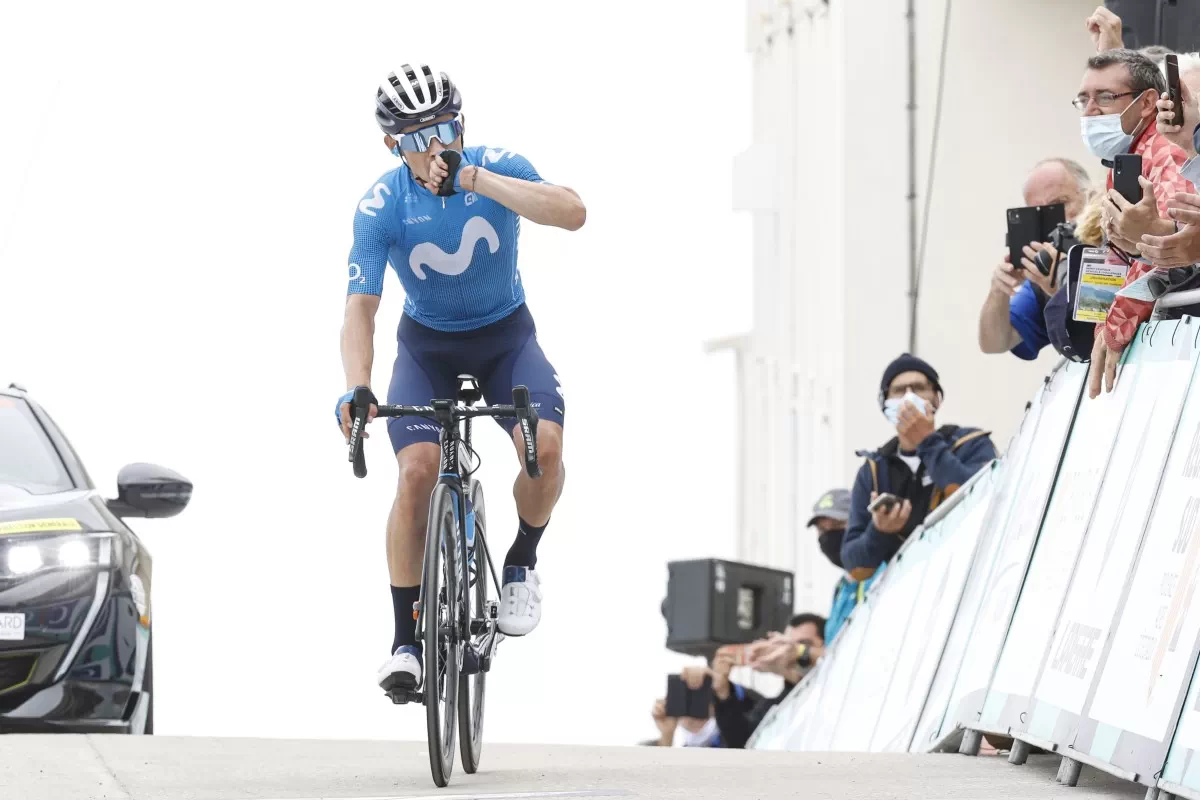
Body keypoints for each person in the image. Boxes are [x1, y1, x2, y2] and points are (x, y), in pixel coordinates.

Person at [335, 64, 586, 694]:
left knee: (544, 451)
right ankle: (404, 642)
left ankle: (522, 561)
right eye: (418, 138)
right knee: (417, 471)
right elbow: (360, 308)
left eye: (446, 129)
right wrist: (357, 385)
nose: (435, 146)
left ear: (462, 125)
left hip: (506, 338)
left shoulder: (495, 164)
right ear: (393, 146)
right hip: (427, 350)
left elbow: (572, 213)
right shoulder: (381, 205)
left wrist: (477, 180)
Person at [1074, 49, 1193, 398]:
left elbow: (1166, 245)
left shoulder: (1164, 149)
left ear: (1147, 104)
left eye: (1105, 97)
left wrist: (1115, 326)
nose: (1091, 110)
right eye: (1083, 99)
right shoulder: (1130, 157)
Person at [840, 355, 997, 580]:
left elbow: (980, 498)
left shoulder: (970, 444)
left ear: (937, 398)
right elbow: (854, 564)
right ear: (885, 403)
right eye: (899, 390)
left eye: (919, 388)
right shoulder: (873, 471)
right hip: (911, 597)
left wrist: (927, 441)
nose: (909, 396)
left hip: (969, 578)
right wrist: (880, 531)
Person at [978, 158, 1092, 360]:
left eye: (1059, 204)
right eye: (1039, 212)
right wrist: (999, 290)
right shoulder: (1040, 277)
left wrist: (1058, 288)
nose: (1054, 220)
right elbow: (994, 343)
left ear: (1089, 198)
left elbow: (1105, 325)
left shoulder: (1114, 249)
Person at [677, 613, 827, 749]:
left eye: (804, 644)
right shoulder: (777, 704)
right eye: (784, 645)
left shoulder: (835, 676)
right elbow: (743, 741)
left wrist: (799, 655)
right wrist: (723, 691)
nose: (787, 651)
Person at [805, 488, 881, 643]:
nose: (828, 535)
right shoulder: (841, 588)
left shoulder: (886, 572)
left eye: (837, 524)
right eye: (822, 529)